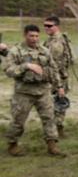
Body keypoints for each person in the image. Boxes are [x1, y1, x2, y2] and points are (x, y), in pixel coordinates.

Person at [4, 24, 66, 157]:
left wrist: (59, 86)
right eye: (31, 36)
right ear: (25, 35)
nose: (34, 39)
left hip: (43, 91)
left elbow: (54, 70)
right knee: (18, 120)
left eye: (37, 36)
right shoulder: (16, 51)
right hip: (24, 92)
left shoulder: (44, 51)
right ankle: (12, 144)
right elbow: (8, 70)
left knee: (49, 118)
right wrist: (26, 66)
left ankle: (52, 145)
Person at [43, 16, 74, 138]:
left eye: (49, 26)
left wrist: (59, 82)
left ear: (56, 26)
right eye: (45, 25)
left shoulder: (56, 42)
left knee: (58, 104)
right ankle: (55, 129)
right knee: (54, 103)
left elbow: (53, 63)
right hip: (54, 77)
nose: (46, 28)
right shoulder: (51, 40)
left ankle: (58, 129)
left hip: (58, 78)